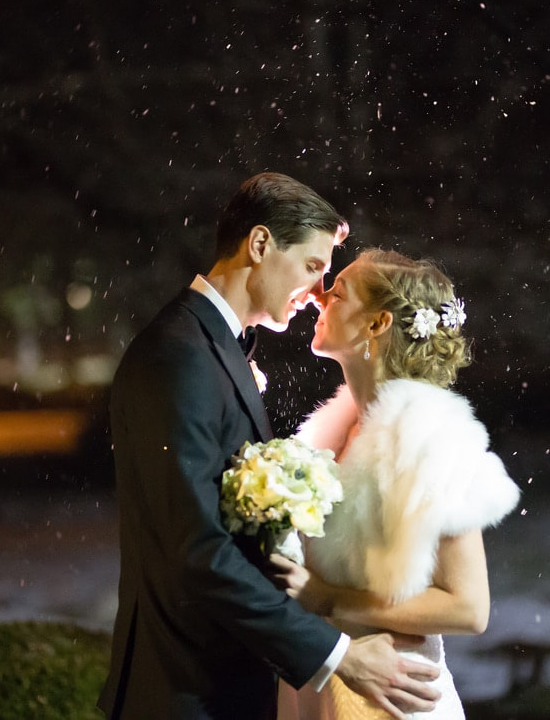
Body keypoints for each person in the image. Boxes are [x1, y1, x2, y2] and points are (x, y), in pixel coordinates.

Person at [98, 174, 442, 720]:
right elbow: (199, 552)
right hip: (186, 692)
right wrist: (337, 656)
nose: (315, 292)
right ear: (260, 245)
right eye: (311, 267)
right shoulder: (182, 356)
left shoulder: (212, 350)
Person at [273, 248, 521, 719]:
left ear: (376, 324)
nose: (318, 298)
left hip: (392, 697)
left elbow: (469, 607)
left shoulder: (427, 438)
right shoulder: (338, 433)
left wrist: (331, 600)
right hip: (322, 688)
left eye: (338, 291)